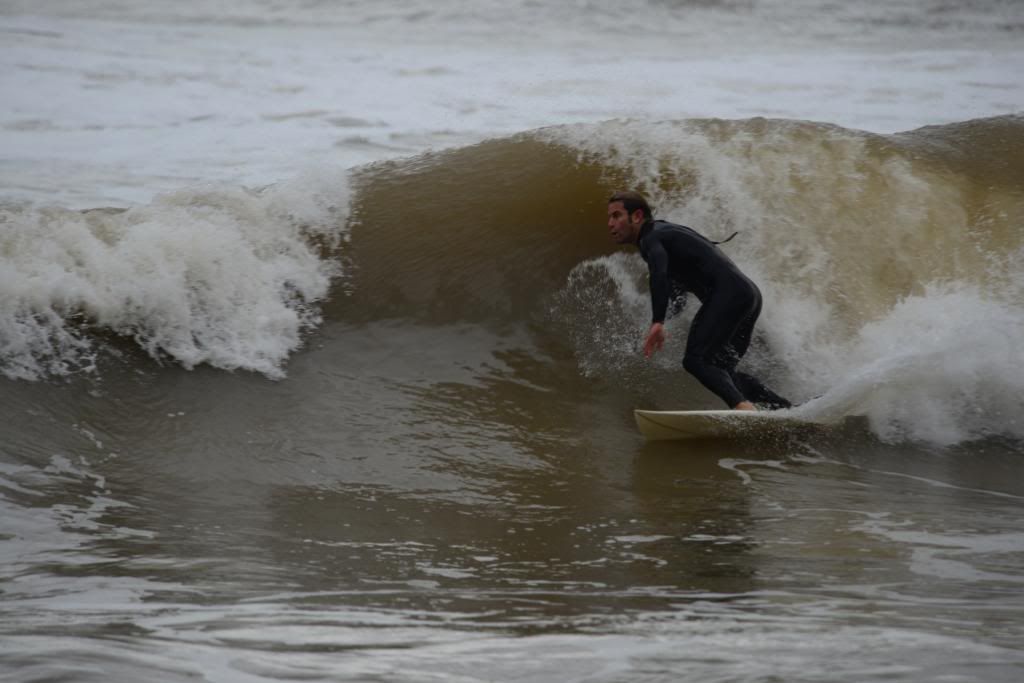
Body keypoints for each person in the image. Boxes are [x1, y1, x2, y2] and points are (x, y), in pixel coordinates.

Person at [606, 190, 791, 411]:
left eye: (616, 216)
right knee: (723, 371)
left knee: (695, 360)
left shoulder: (650, 237)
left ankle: (743, 408)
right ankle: (784, 409)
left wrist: (657, 321)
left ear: (636, 216)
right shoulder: (667, 235)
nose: (610, 223)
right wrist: (662, 321)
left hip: (730, 295)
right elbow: (678, 295)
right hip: (749, 296)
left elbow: (659, 274)